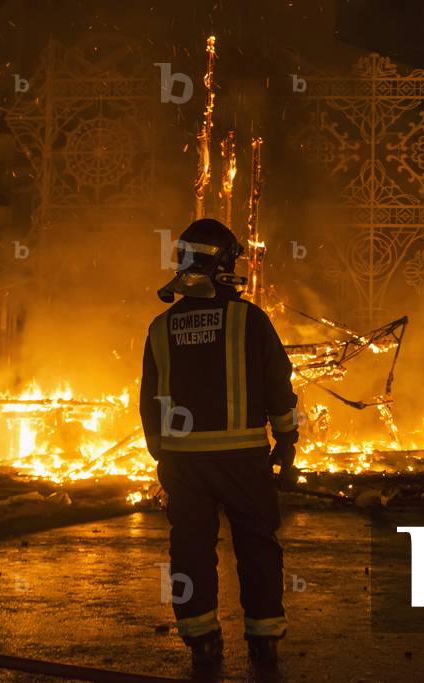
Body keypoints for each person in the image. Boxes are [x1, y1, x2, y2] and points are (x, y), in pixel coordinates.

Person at [139, 218, 299, 673]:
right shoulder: (249, 320)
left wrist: (163, 454)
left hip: (183, 464)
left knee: (189, 549)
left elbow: (148, 401)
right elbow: (278, 389)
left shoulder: (159, 328)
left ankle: (202, 642)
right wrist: (286, 442)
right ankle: (264, 644)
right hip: (242, 460)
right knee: (256, 546)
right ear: (222, 264)